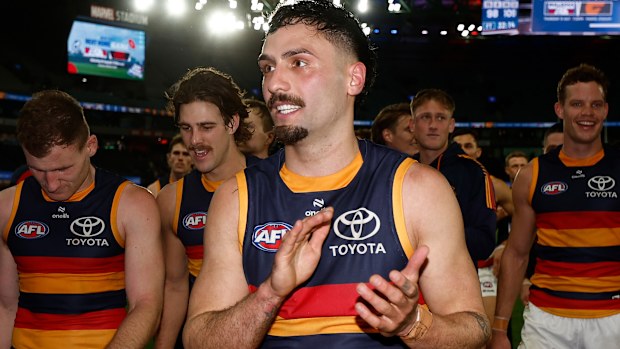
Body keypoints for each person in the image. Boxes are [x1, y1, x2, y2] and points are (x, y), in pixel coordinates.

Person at [183, 1, 490, 348]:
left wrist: (413, 323)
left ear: (353, 78)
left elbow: (475, 329)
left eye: (298, 63)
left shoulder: (417, 189)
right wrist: (270, 294)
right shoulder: (237, 197)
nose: (274, 83)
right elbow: (199, 340)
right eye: (268, 68)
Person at [0, 90, 164, 349]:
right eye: (37, 170)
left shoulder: (131, 204)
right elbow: (6, 305)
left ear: (91, 146)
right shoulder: (7, 206)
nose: (51, 184)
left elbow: (146, 304)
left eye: (62, 169)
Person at [490, 64, 620, 349]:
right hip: (547, 321)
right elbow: (517, 254)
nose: (587, 113)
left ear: (606, 110)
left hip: (613, 317)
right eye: (577, 104)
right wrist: (499, 329)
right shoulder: (532, 174)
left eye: (595, 104)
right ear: (560, 110)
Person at [154, 67, 256, 349]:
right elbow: (175, 286)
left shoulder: (275, 182)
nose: (194, 140)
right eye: (186, 128)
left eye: (206, 127)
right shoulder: (172, 200)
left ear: (232, 123)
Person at [411, 89, 498, 328]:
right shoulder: (400, 170)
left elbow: (485, 241)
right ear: (412, 124)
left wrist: (429, 236)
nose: (432, 125)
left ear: (451, 125)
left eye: (440, 118)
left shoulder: (472, 172)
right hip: (408, 290)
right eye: (425, 117)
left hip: (455, 290)